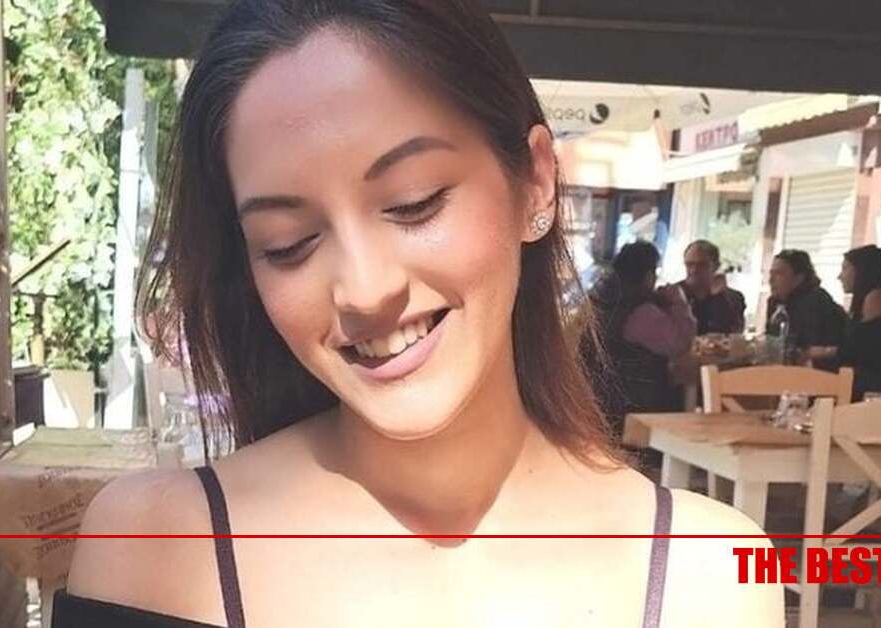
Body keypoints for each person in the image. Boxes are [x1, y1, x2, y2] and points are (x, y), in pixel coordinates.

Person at [60, 2, 782, 627]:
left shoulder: (707, 572)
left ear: (535, 181)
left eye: (414, 202)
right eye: (288, 243)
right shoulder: (155, 550)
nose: (364, 290)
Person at [586, 241, 695, 435]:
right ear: (647, 276)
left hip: (601, 400)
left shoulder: (602, 301)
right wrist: (679, 301)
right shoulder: (640, 313)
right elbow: (680, 343)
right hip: (635, 408)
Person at [807, 245, 881, 399]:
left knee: (827, 377)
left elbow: (858, 348)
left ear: (861, 271)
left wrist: (822, 352)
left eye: (845, 268)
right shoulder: (870, 299)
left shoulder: (877, 298)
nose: (840, 276)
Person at [765, 249, 846, 355]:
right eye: (771, 273)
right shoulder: (775, 302)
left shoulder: (816, 301)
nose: (771, 280)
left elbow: (805, 347)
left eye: (778, 274)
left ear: (798, 278)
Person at [678, 240, 746, 335]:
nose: (694, 270)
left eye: (701, 265)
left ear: (716, 266)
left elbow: (733, 333)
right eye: (689, 264)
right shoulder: (673, 295)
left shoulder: (733, 299)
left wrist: (718, 298)